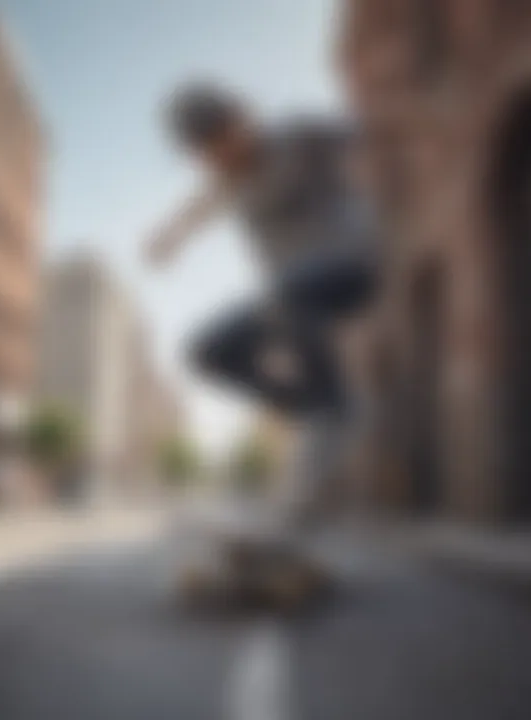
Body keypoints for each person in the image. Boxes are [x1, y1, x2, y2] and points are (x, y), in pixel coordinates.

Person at [145, 82, 381, 527]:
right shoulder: (226, 183)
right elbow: (197, 207)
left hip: (351, 265)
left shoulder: (299, 136)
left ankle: (334, 409)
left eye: (223, 139)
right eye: (206, 153)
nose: (221, 157)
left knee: (285, 290)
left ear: (243, 117)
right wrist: (168, 238)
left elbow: (376, 128)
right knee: (207, 352)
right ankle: (313, 407)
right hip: (290, 297)